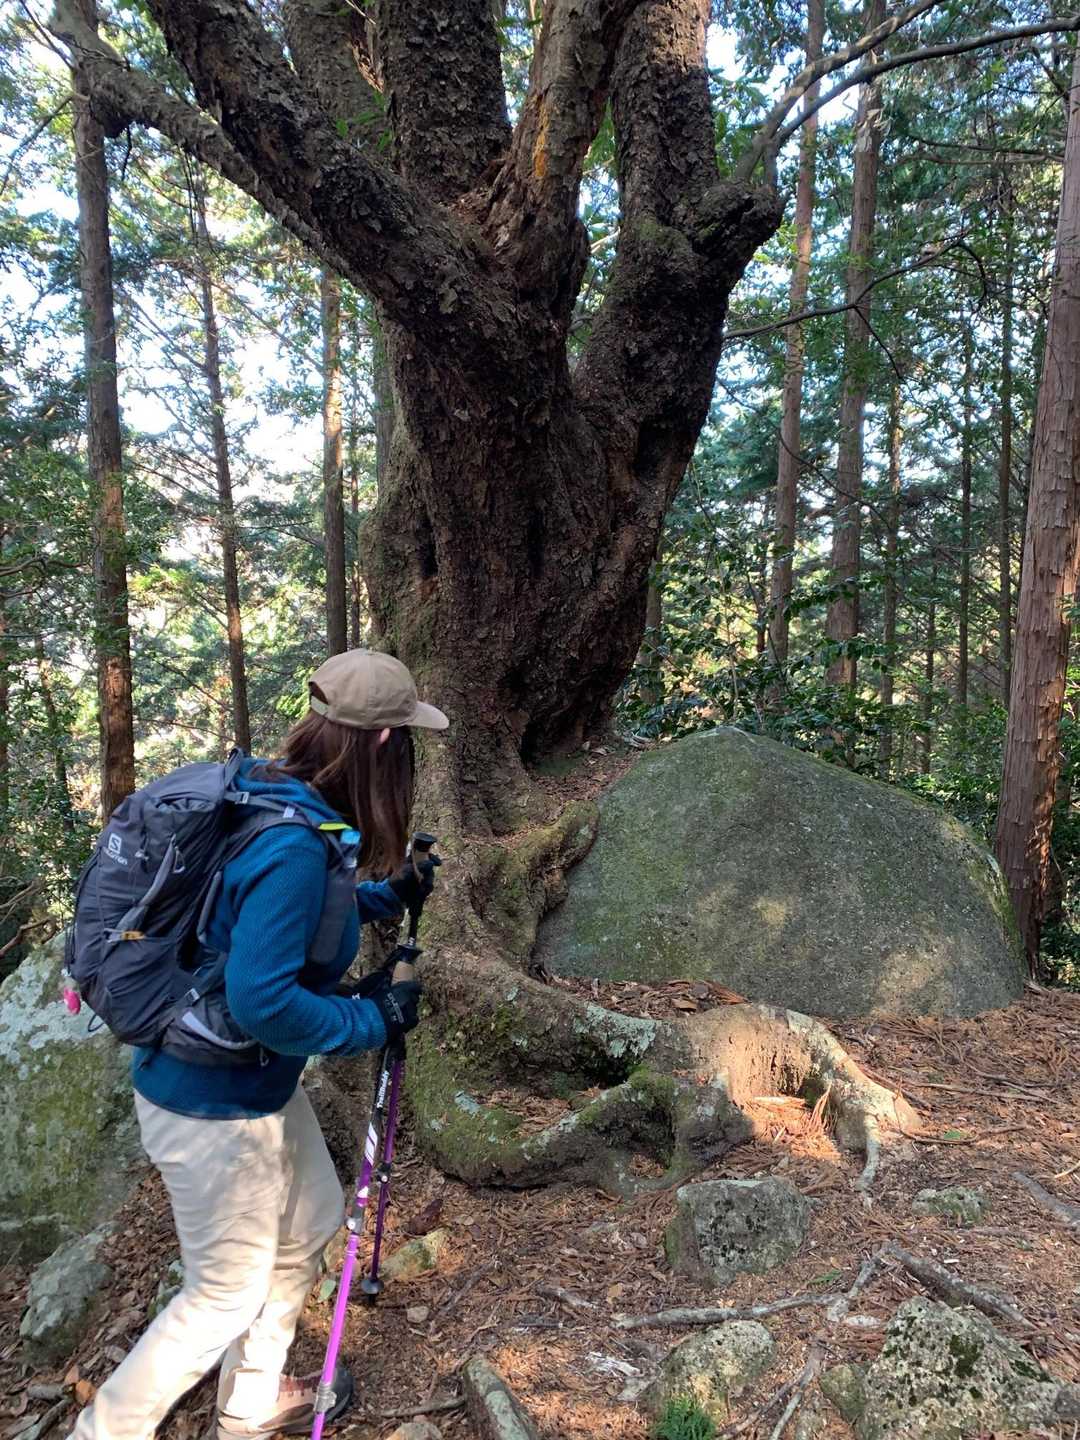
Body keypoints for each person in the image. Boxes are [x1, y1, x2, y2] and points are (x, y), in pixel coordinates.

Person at [70, 650, 448, 1440]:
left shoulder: (280, 797)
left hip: (248, 1084)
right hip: (210, 1106)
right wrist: (375, 1021)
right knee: (220, 1298)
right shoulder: (293, 844)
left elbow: (268, 919)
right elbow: (264, 1000)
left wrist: (387, 896)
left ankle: (249, 1402)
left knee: (310, 1220)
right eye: (407, 738)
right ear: (383, 743)